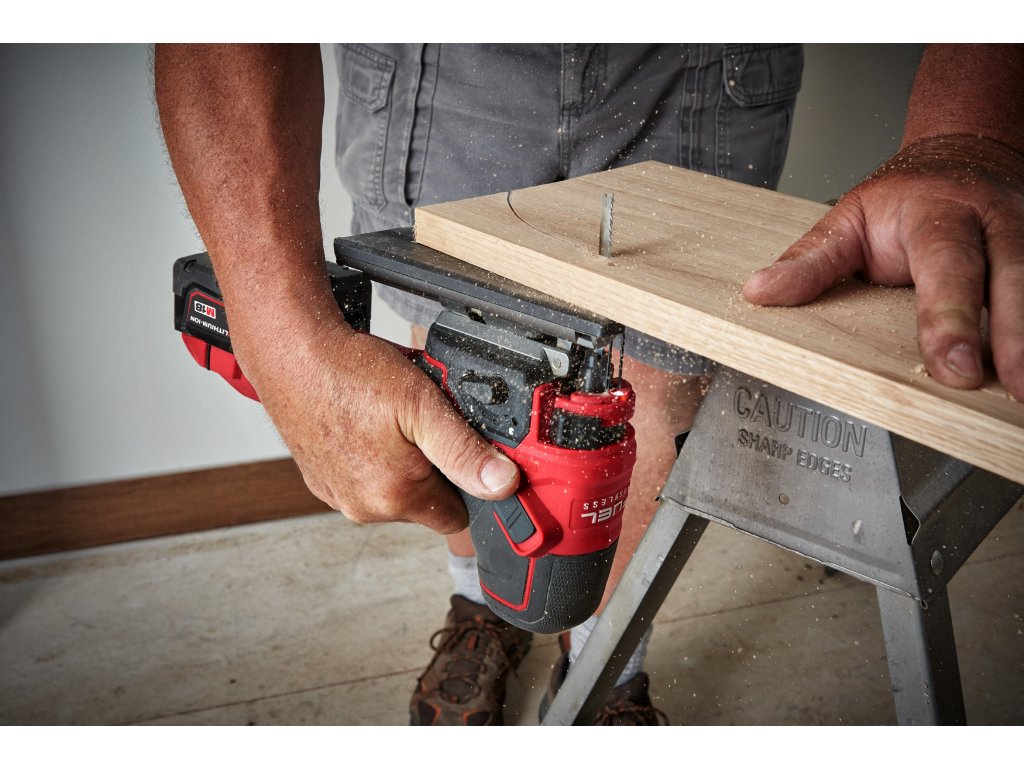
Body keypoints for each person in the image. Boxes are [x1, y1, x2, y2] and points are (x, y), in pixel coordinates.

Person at [155, 43, 1024, 726]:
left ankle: (608, 661)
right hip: (447, 55)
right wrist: (282, 338)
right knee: (456, 347)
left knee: (649, 383)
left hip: (697, 55)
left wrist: (967, 136)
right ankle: (482, 607)